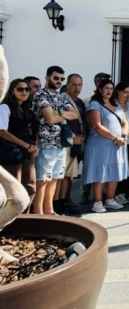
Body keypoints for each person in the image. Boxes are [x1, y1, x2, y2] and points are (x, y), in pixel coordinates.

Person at [32, 66, 79, 215]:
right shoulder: (40, 95)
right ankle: (39, 213)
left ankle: (49, 210)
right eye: (56, 78)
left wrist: (58, 113)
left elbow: (75, 114)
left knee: (55, 179)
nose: (59, 81)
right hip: (46, 143)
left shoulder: (60, 96)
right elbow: (50, 118)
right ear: (47, 77)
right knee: (42, 180)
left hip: (61, 144)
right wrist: (61, 114)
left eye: (61, 79)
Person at [83, 78, 129, 213]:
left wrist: (123, 136)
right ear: (100, 90)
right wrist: (115, 137)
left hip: (116, 145)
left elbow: (124, 123)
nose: (109, 91)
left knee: (114, 171)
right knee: (100, 172)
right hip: (99, 145)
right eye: (106, 88)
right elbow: (97, 126)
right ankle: (97, 202)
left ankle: (110, 199)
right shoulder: (94, 105)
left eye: (111, 88)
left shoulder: (117, 105)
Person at [0, 78, 38, 209]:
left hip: (28, 153)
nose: (24, 92)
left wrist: (34, 146)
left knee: (30, 186)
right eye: (20, 89)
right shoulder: (5, 107)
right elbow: (2, 132)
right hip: (11, 154)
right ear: (12, 91)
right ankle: (11, 223)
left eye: (27, 89)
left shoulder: (28, 110)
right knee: (14, 190)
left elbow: (33, 131)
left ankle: (25, 219)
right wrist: (26, 145)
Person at [55, 73, 86, 216]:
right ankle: (57, 203)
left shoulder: (79, 102)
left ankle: (65, 199)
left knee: (69, 175)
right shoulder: (62, 99)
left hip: (78, 142)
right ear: (67, 84)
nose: (77, 88)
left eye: (79, 85)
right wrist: (73, 137)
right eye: (74, 84)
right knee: (60, 175)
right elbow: (61, 121)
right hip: (65, 141)